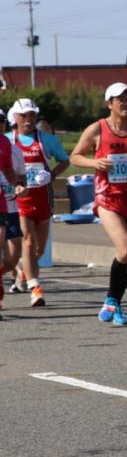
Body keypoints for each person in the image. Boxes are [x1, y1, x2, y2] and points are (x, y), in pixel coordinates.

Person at [69, 83, 127, 326]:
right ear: (109, 104)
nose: (125, 103)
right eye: (119, 99)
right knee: (125, 249)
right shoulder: (97, 129)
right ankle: (112, 300)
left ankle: (114, 302)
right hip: (108, 198)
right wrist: (94, 163)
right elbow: (75, 155)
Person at [8, 98, 70, 307]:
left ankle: (23, 274)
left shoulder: (47, 140)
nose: (28, 119)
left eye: (32, 115)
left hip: (43, 199)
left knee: (39, 251)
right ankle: (36, 288)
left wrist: (51, 175)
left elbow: (65, 160)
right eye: (24, 115)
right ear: (15, 117)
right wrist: (14, 183)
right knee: (28, 242)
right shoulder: (8, 140)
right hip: (19, 201)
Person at [0, 112, 27, 319]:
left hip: (5, 203)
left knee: (12, 256)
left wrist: (18, 185)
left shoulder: (5, 145)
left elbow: (11, 171)